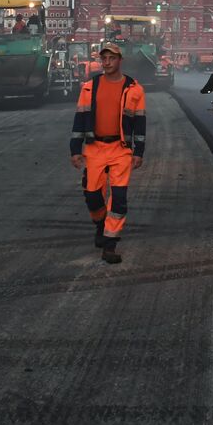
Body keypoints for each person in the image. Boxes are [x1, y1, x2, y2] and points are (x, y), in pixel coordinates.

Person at [69, 42, 147, 265]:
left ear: (119, 60)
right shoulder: (89, 87)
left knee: (119, 198)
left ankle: (110, 244)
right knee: (92, 195)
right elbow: (80, 119)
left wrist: (138, 151)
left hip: (121, 150)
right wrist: (75, 149)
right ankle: (101, 224)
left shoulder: (134, 89)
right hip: (95, 148)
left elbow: (140, 123)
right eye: (104, 58)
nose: (107, 62)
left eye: (111, 58)